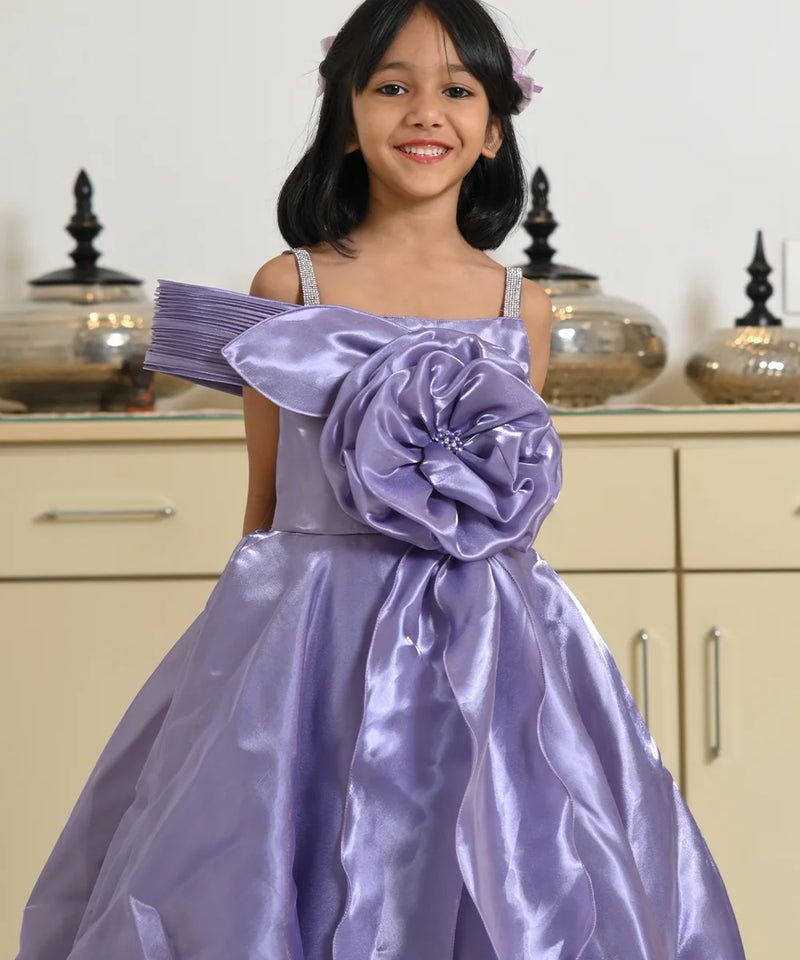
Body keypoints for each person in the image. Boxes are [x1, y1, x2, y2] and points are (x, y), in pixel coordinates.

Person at [17, 1, 745, 958]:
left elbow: (511, 499)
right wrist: (234, 667)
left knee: (490, 862)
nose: (424, 112)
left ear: (493, 131)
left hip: (485, 639)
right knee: (293, 867)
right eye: (392, 87)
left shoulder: (519, 304)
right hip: (315, 633)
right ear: (346, 117)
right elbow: (266, 503)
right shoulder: (289, 288)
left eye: (458, 91)